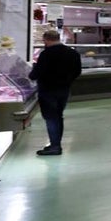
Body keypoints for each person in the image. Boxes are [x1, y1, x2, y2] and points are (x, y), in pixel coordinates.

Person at [28, 29, 82, 157]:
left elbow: (36, 74)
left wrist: (31, 75)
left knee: (51, 118)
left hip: (47, 90)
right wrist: (67, 80)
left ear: (46, 40)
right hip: (64, 89)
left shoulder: (46, 54)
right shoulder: (72, 53)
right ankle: (56, 143)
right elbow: (77, 71)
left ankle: (55, 146)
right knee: (58, 116)